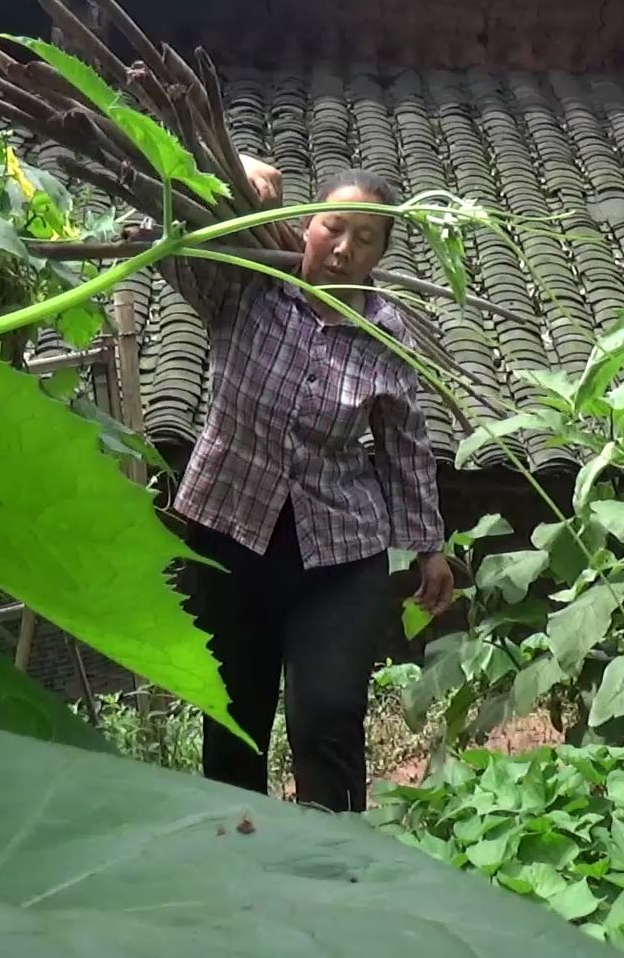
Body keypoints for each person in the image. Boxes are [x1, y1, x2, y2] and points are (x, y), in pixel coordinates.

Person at [156, 156, 454, 813]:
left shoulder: (386, 332)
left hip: (338, 551)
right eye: (333, 226)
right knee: (233, 718)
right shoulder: (247, 282)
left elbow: (405, 439)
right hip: (230, 534)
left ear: (380, 254)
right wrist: (226, 174)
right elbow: (160, 237)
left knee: (327, 715)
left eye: (366, 239)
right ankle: (238, 869)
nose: (344, 248)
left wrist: (429, 545)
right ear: (307, 223)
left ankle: (335, 873)